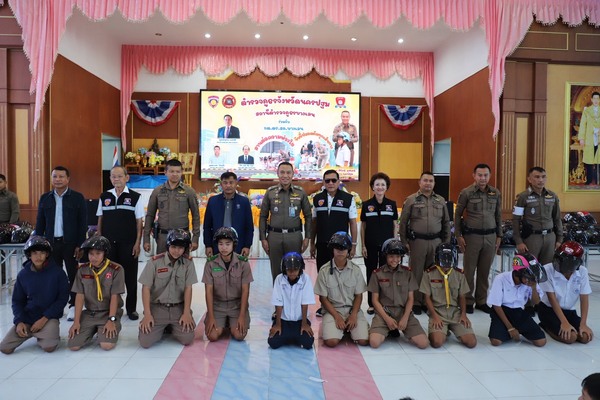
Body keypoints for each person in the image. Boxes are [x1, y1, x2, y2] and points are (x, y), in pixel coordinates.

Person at [0, 236, 69, 354]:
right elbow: (17, 301)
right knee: (5, 348)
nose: (38, 256)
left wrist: (44, 319)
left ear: (47, 254)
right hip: (28, 317)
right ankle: (34, 332)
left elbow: (62, 299)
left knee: (49, 347)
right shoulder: (23, 275)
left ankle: (44, 334)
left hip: (49, 318)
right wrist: (19, 321)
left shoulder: (58, 273)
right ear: (29, 255)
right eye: (35, 253)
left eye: (42, 253)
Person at [35, 166, 87, 321]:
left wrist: (80, 245)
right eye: (55, 176)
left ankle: (73, 306)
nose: (57, 179)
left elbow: (82, 223)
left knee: (73, 276)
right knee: (53, 276)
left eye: (61, 176)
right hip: (51, 244)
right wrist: (38, 245)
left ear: (68, 179)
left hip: (70, 244)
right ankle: (56, 307)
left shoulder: (77, 197)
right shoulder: (45, 198)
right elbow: (40, 223)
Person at [96, 166, 144, 321]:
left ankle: (131, 309)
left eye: (119, 176)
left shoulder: (135, 197)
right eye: (113, 176)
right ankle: (112, 308)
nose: (116, 179)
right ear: (110, 178)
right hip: (109, 244)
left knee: (130, 278)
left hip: (128, 243)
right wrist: (100, 242)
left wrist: (137, 243)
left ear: (126, 178)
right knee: (109, 278)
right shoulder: (104, 196)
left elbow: (139, 222)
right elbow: (100, 219)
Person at [399, 172, 450, 314]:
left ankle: (429, 301)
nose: (428, 183)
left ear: (434, 183)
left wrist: (446, 243)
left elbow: (446, 222)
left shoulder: (440, 200)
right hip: (417, 242)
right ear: (419, 182)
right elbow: (403, 223)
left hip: (436, 242)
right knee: (416, 273)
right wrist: (404, 242)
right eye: (425, 180)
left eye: (431, 181)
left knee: (433, 274)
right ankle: (416, 301)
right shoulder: (411, 200)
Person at [454, 163, 502, 314]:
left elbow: (498, 215)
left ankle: (481, 300)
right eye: (480, 175)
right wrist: (458, 235)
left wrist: (499, 235)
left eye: (486, 175)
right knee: (469, 271)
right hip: (472, 237)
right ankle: (468, 301)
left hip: (490, 236)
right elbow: (458, 214)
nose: (483, 178)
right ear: (474, 176)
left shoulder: (495, 193)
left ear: (490, 176)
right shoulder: (466, 192)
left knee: (484, 271)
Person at [138, 229, 197, 348]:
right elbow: (145, 288)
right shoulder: (155, 262)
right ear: (168, 246)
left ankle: (170, 326)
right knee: (145, 342)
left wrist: (186, 313)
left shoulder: (188, 263)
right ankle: (164, 326)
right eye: (173, 247)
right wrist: (148, 314)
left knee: (187, 339)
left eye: (180, 248)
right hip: (158, 308)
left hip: (178, 308)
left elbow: (188, 288)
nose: (176, 251)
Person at [310, 169, 357, 316]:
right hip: (322, 244)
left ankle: (343, 305)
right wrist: (312, 243)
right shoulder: (317, 198)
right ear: (324, 182)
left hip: (341, 246)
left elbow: (353, 223)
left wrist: (353, 245)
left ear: (338, 182)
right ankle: (324, 306)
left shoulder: (348, 198)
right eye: (327, 180)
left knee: (341, 276)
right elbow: (314, 223)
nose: (330, 183)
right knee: (323, 276)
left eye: (333, 180)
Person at [368, 239, 428, 349]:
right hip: (384, 313)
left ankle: (400, 329)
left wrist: (405, 318)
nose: (395, 260)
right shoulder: (377, 274)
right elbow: (375, 300)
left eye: (398, 256)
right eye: (391, 256)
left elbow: (410, 298)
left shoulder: (408, 273)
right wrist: (387, 319)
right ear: (385, 256)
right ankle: (388, 330)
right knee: (374, 343)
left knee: (423, 343)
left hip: (403, 312)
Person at [67, 236, 125, 351]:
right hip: (90, 313)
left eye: (98, 253)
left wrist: (111, 320)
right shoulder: (82, 270)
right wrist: (76, 322)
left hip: (108, 313)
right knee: (73, 346)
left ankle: (105, 329)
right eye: (91, 254)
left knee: (106, 345)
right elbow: (79, 296)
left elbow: (115, 296)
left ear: (105, 254)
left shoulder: (116, 269)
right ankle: (92, 329)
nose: (94, 257)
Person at [313, 232, 369, 348]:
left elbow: (359, 295)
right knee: (331, 342)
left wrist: (353, 315)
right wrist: (337, 317)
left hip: (352, 310)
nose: (340, 252)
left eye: (343, 249)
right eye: (337, 249)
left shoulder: (356, 270)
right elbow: (323, 299)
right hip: (333, 311)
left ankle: (348, 328)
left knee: (363, 340)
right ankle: (332, 328)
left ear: (348, 250)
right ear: (332, 250)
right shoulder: (324, 271)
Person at [259, 162, 312, 282]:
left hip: (294, 236)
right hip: (274, 237)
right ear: (277, 174)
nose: (285, 175)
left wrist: (307, 237)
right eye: (282, 172)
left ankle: (295, 294)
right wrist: (263, 238)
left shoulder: (300, 192)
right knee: (276, 272)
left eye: (288, 172)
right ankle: (278, 294)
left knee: (294, 270)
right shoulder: (270, 192)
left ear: (293, 174)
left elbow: (308, 216)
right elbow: (263, 216)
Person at [420, 243, 477, 348]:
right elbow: (427, 298)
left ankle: (449, 328)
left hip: (455, 313)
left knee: (471, 343)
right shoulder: (429, 274)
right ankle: (443, 331)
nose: (446, 266)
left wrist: (463, 314)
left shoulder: (459, 274)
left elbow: (462, 296)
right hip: (437, 311)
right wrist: (435, 316)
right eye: (443, 261)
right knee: (437, 343)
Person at [537, 240, 593, 344]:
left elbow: (584, 298)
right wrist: (564, 322)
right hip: (549, 310)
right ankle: (545, 325)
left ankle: (565, 327)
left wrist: (583, 324)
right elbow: (552, 299)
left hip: (569, 311)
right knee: (571, 337)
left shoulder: (582, 272)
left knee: (585, 337)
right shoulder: (547, 269)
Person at [202, 227, 253, 342]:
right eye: (220, 244)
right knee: (212, 336)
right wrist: (211, 316)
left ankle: (230, 324)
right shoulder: (210, 263)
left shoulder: (243, 263)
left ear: (234, 244)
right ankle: (224, 323)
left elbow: (245, 291)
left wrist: (242, 316)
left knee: (239, 335)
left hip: (236, 306)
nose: (224, 247)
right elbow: (208, 291)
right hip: (218, 306)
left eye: (227, 244)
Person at [486, 253, 547, 347]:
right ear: (518, 273)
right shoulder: (501, 279)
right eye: (527, 276)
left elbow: (536, 302)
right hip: (502, 310)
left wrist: (534, 287)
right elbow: (496, 305)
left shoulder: (530, 281)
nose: (530, 280)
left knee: (541, 341)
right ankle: (510, 331)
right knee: (496, 341)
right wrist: (510, 328)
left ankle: (516, 330)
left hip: (518, 311)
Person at [143, 159, 200, 254]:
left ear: (182, 172)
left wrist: (195, 238)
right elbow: (150, 215)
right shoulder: (157, 191)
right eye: (172, 171)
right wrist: (146, 239)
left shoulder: (189, 191)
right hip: (163, 237)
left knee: (182, 263)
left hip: (182, 236)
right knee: (162, 263)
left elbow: (196, 216)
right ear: (165, 172)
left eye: (178, 171)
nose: (175, 174)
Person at [361, 172, 399, 315]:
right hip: (370, 245)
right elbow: (363, 227)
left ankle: (384, 302)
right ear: (372, 187)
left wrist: (394, 244)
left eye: (383, 184)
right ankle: (372, 304)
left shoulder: (392, 204)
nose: (380, 187)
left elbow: (395, 225)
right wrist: (363, 245)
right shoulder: (366, 205)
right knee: (371, 273)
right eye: (377, 184)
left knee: (386, 273)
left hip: (387, 247)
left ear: (386, 187)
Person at [512, 166, 563, 264]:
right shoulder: (523, 197)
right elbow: (516, 220)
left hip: (550, 238)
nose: (541, 180)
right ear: (529, 179)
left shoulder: (552, 196)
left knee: (548, 268)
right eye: (537, 177)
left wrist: (559, 239)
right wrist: (519, 242)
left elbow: (557, 218)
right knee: (530, 268)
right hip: (532, 238)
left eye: (543, 177)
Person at [268, 252, 315, 350]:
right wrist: (278, 324)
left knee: (308, 343)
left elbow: (305, 303)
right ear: (284, 269)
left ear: (300, 269)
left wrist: (304, 324)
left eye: (295, 269)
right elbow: (278, 303)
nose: (292, 272)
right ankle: (291, 336)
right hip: (284, 321)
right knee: (273, 342)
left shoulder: (306, 279)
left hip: (300, 321)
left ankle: (290, 336)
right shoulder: (279, 279)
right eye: (289, 270)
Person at [203, 172, 253, 257]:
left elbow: (249, 227)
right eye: (225, 183)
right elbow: (207, 226)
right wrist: (208, 245)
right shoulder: (213, 201)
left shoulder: (244, 202)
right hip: (217, 245)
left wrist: (247, 246)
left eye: (231, 182)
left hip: (238, 246)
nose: (228, 185)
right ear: (221, 184)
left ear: (236, 183)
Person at [577, 91, 600, 185]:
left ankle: (598, 179)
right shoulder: (587, 111)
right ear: (591, 100)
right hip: (589, 139)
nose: (596, 100)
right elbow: (583, 124)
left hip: (599, 138)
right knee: (589, 160)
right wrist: (581, 138)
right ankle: (589, 179)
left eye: (597, 99)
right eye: (594, 98)